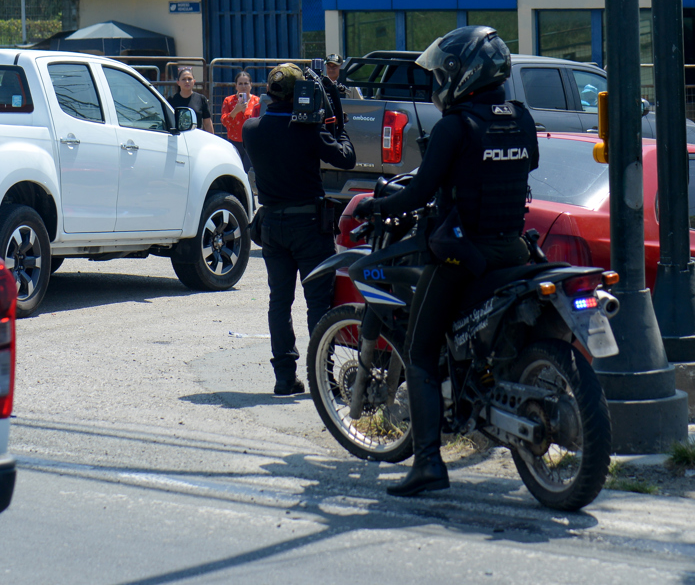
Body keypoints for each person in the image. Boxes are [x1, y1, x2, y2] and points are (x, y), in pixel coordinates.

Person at [353, 26, 538, 497]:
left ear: (463, 75)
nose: (438, 82)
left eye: (442, 73)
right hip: (513, 249)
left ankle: (430, 462)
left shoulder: (454, 126)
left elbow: (418, 192)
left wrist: (372, 207)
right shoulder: (520, 117)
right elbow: (523, 166)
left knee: (418, 351)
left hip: (462, 254)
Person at [243, 64, 356, 396]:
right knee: (318, 302)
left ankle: (284, 377)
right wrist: (337, 123)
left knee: (279, 301)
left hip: (272, 224)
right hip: (308, 225)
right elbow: (346, 159)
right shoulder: (308, 130)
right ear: (300, 96)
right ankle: (323, 375)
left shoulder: (251, 129)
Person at [220, 70, 262, 171]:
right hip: (234, 142)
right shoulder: (229, 101)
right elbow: (224, 121)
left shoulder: (257, 101)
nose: (243, 86)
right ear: (236, 86)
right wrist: (235, 111)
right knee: (235, 170)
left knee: (249, 171)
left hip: (251, 142)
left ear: (251, 85)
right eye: (240, 83)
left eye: (246, 83)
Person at [168, 68, 215, 134]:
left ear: (194, 81)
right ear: (178, 82)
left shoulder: (201, 99)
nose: (187, 81)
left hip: (195, 137)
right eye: (183, 79)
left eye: (189, 79)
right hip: (178, 137)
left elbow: (207, 123)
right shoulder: (171, 100)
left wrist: (211, 140)